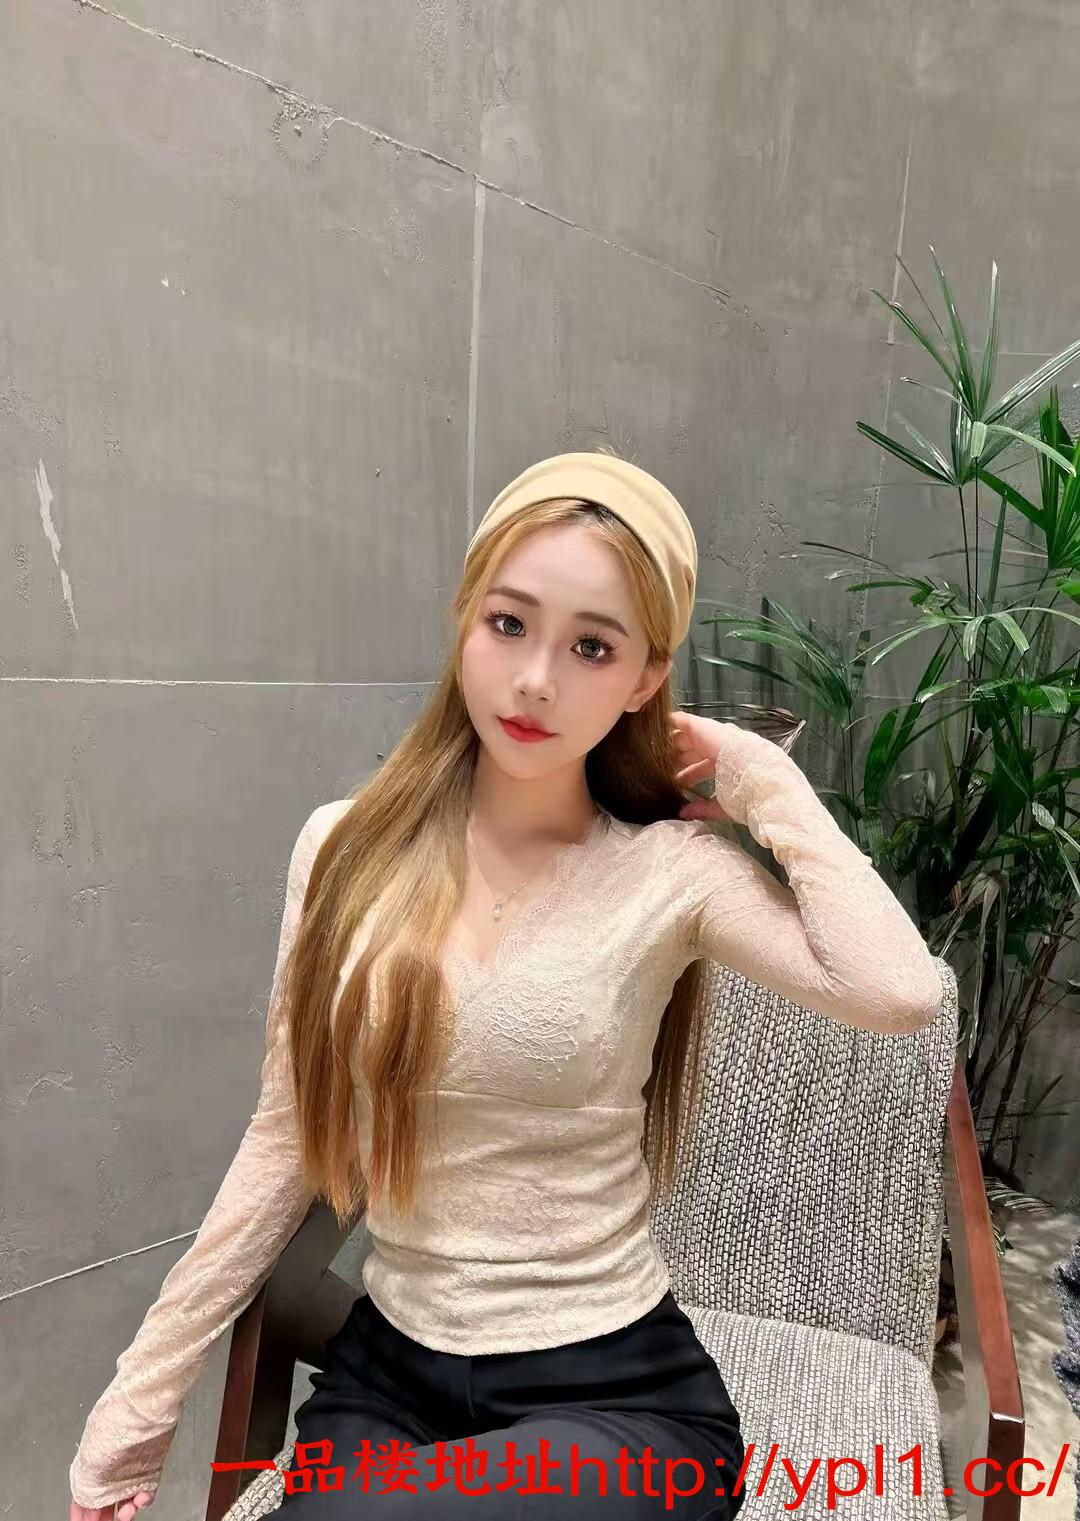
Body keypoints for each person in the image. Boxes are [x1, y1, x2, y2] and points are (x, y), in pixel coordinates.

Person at [68, 449, 945, 1519]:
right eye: (509, 623)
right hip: (389, 1381)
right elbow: (287, 1133)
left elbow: (898, 991)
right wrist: (141, 1397)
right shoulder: (341, 849)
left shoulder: (671, 875)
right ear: (465, 619)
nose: (536, 680)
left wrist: (765, 783)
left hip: (615, 1394)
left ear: (646, 677)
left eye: (592, 646)